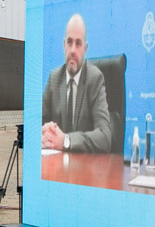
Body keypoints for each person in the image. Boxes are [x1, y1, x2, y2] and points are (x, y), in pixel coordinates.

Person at [41, 14, 112, 153]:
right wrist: (43, 133)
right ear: (64, 45)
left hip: (85, 168)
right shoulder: (54, 78)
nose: (73, 50)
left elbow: (105, 137)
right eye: (69, 42)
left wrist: (66, 141)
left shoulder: (95, 79)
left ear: (85, 48)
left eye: (78, 43)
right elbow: (37, 125)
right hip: (56, 167)